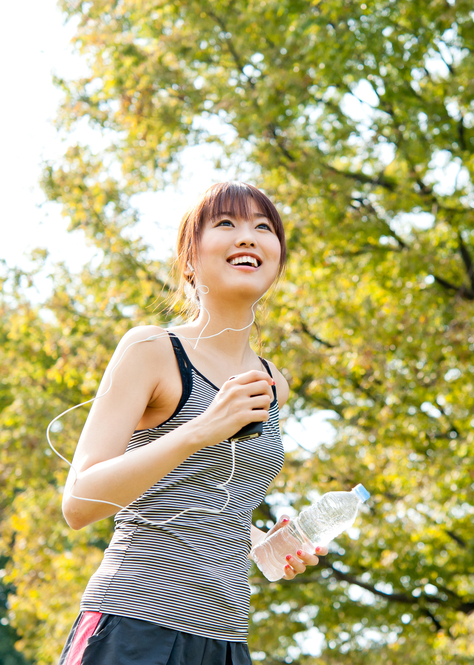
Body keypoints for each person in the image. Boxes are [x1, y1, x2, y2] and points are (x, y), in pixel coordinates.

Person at [55, 182, 324, 665]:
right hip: (132, 626)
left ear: (277, 260)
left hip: (225, 641)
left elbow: (201, 503)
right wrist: (202, 428)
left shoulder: (272, 383)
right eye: (226, 224)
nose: (248, 237)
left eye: (263, 228)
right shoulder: (153, 351)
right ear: (188, 260)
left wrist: (265, 543)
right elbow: (78, 504)